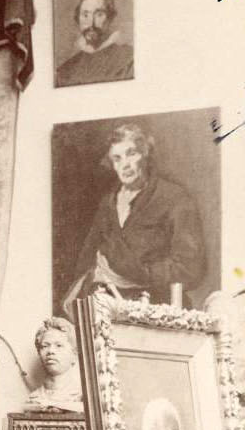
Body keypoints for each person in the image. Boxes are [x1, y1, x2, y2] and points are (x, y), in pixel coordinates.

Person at [62, 122, 206, 315]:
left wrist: (139, 272)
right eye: (117, 158)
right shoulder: (108, 203)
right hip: (106, 305)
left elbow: (191, 268)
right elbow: (86, 260)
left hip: (157, 308)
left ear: (145, 154)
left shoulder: (175, 198)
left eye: (131, 154)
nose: (125, 165)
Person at [55, 0, 134, 86]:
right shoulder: (65, 70)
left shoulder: (128, 59)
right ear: (78, 19)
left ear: (110, 18)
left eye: (99, 15)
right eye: (85, 15)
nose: (91, 23)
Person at [25, 316, 83, 412]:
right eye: (45, 346)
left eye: (59, 345)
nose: (51, 351)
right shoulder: (34, 398)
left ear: (74, 354)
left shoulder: (81, 396)